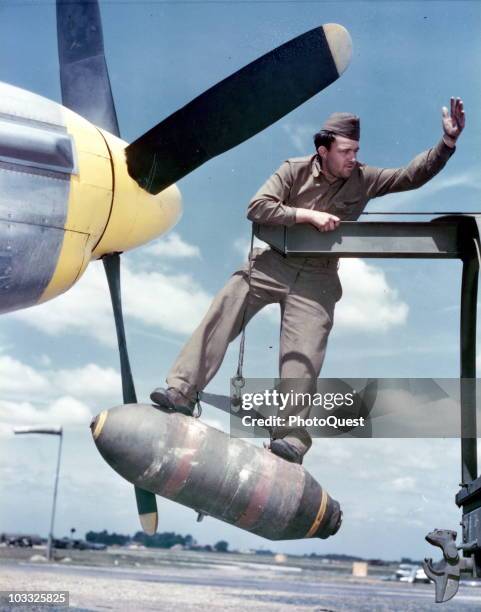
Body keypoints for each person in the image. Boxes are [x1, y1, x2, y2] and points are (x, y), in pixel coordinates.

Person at [151, 98, 465, 464]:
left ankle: (289, 437)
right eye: (346, 151)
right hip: (273, 263)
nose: (352, 158)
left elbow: (411, 176)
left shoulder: (364, 179)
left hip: (317, 277)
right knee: (228, 302)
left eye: (356, 151)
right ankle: (182, 392)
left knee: (303, 358)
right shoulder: (293, 171)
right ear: (323, 150)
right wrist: (304, 215)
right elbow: (257, 206)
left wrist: (447, 144)